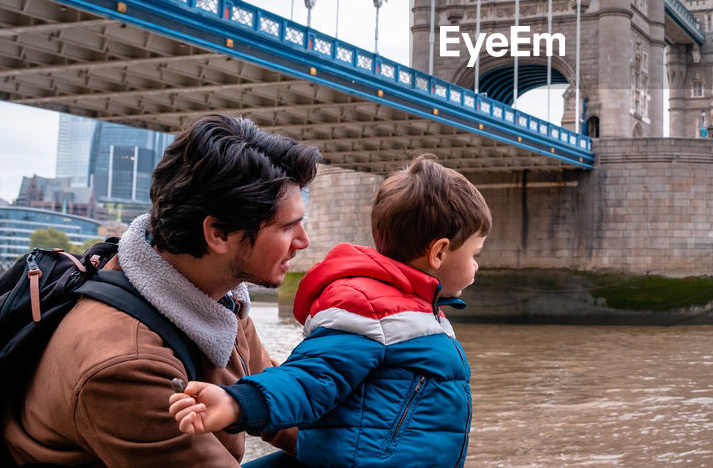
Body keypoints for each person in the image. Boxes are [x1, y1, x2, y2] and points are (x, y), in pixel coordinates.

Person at [4, 114, 321, 467]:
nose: (304, 242)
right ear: (217, 234)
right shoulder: (127, 364)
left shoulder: (220, 294)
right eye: (287, 227)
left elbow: (273, 401)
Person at [169, 154, 491, 468]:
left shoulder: (417, 309)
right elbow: (310, 377)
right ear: (439, 252)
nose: (476, 264)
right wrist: (237, 402)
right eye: (475, 253)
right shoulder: (371, 309)